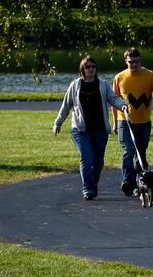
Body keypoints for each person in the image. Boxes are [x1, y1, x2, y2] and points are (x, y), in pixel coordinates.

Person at [53, 55, 129, 200]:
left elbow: (112, 98)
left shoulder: (103, 84)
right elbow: (66, 105)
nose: (91, 69)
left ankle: (93, 184)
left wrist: (122, 105)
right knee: (86, 158)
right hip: (80, 130)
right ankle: (88, 189)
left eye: (93, 66)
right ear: (82, 69)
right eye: (88, 67)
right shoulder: (75, 85)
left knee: (98, 161)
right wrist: (58, 123)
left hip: (100, 129)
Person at [112, 47, 153, 197]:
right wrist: (115, 122)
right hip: (125, 122)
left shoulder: (149, 75)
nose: (134, 65)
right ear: (126, 61)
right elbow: (114, 101)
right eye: (131, 62)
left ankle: (139, 184)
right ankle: (127, 183)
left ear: (140, 61)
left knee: (140, 154)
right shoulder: (119, 77)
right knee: (127, 152)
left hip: (144, 122)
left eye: (137, 62)